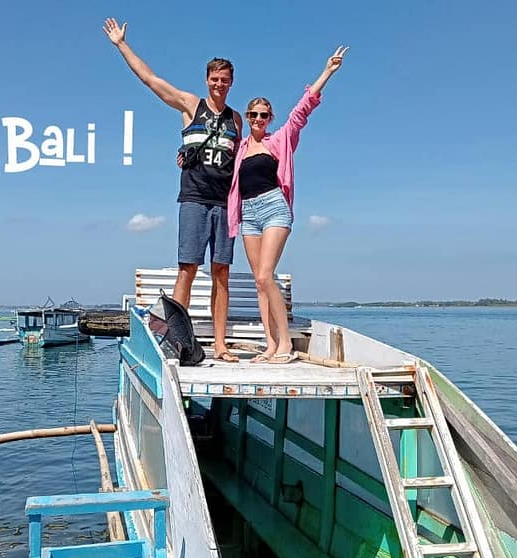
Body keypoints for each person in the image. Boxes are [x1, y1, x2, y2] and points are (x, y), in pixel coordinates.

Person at [104, 18, 243, 362]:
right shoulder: (189, 105)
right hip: (194, 198)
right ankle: (178, 340)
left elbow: (248, 159)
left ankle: (220, 344)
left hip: (225, 204)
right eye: (215, 79)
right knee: (188, 268)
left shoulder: (237, 120)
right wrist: (122, 44)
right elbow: (151, 81)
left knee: (221, 272)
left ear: (231, 82)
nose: (219, 85)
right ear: (207, 80)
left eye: (225, 80)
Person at [227, 46, 348, 363]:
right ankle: (270, 345)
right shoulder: (239, 148)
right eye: (253, 114)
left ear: (270, 119)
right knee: (259, 283)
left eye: (263, 114)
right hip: (248, 214)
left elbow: (303, 110)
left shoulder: (279, 139)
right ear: (247, 117)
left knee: (267, 277)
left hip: (273, 208)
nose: (257, 119)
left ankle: (285, 346)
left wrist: (327, 72)